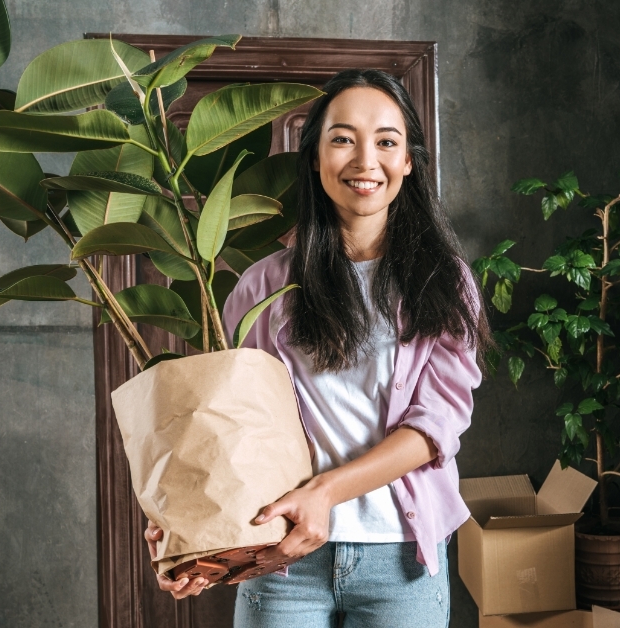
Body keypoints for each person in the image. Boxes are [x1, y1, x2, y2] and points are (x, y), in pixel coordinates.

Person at [143, 68, 490, 628]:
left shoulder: (443, 282)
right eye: (342, 139)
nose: (364, 160)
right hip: (282, 563)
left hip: (400, 560)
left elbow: (437, 426)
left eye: (386, 141)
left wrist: (325, 493)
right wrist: (186, 531)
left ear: (407, 161)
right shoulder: (262, 287)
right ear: (314, 157)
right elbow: (228, 432)